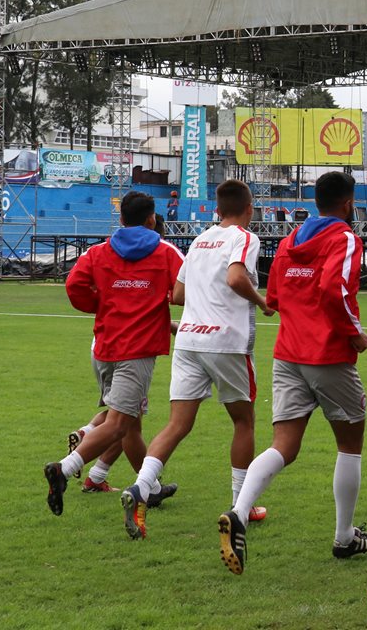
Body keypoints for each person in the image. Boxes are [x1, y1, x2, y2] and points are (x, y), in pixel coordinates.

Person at [219, 171, 367, 576]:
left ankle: (239, 510)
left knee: (284, 445)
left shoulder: (291, 240)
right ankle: (344, 537)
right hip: (328, 354)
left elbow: (273, 296)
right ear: (348, 203)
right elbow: (334, 290)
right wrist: (355, 334)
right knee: (350, 444)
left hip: (288, 354)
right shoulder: (343, 238)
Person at [122, 180, 275, 539]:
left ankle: (141, 487)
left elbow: (177, 294)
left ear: (217, 210)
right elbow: (236, 278)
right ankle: (241, 505)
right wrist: (262, 301)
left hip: (189, 340)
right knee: (244, 421)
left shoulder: (199, 240)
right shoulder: (245, 238)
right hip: (227, 342)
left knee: (177, 424)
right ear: (249, 209)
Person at [43, 191, 185, 518]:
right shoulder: (165, 252)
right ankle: (63, 469)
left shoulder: (98, 252)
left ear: (121, 219)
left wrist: (104, 304)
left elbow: (74, 286)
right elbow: (185, 288)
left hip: (105, 346)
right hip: (137, 351)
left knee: (131, 425)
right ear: (152, 219)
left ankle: (150, 488)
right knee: (119, 424)